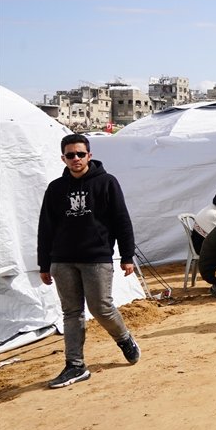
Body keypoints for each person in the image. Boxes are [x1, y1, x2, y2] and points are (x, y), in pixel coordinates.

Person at [37, 134, 140, 389]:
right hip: (62, 260)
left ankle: (124, 338)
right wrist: (44, 263)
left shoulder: (106, 183)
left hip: (96, 258)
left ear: (89, 156)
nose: (75, 159)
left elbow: (121, 221)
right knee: (71, 313)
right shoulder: (55, 189)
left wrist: (127, 256)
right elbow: (45, 228)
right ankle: (75, 365)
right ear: (63, 158)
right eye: (70, 155)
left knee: (101, 308)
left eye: (80, 154)